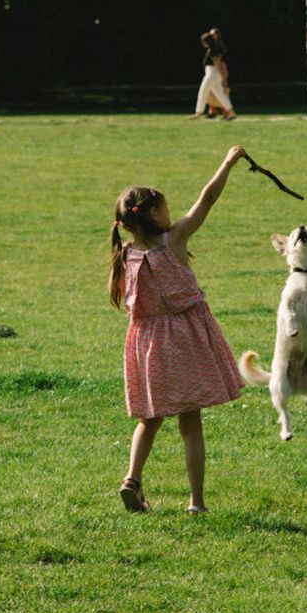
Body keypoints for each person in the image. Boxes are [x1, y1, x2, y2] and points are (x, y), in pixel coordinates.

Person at [108, 145, 248, 514]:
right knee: (190, 422)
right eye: (166, 207)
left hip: (146, 344)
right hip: (184, 340)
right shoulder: (176, 240)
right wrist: (228, 161)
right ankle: (196, 502)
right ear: (154, 214)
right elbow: (208, 197)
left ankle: (132, 479)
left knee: (149, 420)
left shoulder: (125, 253)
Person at [190, 29, 237, 121]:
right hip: (212, 73)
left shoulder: (212, 51)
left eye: (204, 42)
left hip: (212, 73)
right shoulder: (212, 50)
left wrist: (223, 78)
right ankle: (231, 112)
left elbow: (218, 64)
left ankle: (198, 113)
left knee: (203, 92)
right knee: (220, 94)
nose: (203, 44)